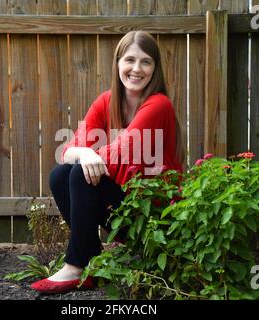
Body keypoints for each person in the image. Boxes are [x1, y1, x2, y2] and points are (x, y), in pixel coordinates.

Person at [31, 31, 185, 294]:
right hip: (126, 211)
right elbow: (67, 151)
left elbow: (124, 151)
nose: (137, 69)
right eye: (130, 60)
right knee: (61, 174)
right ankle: (92, 262)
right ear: (118, 64)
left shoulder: (159, 105)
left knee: (80, 173)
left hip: (154, 220)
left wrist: (87, 154)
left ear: (155, 68)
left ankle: (76, 266)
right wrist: (83, 153)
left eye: (146, 62)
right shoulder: (107, 101)